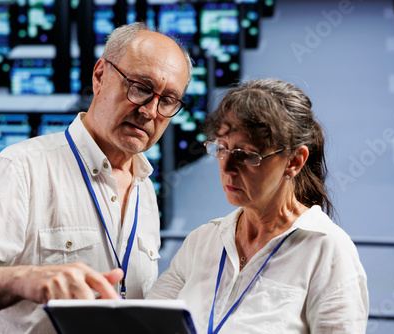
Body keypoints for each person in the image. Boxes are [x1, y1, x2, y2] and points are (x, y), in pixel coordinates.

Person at [0, 22, 192, 333]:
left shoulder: (144, 189)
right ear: (100, 76)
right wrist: (24, 279)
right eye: (141, 88)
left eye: (168, 100)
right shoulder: (21, 169)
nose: (150, 111)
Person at [146, 79, 369, 333]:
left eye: (246, 155)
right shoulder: (202, 242)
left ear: (294, 161)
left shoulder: (328, 252)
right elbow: (148, 325)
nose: (227, 167)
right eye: (221, 148)